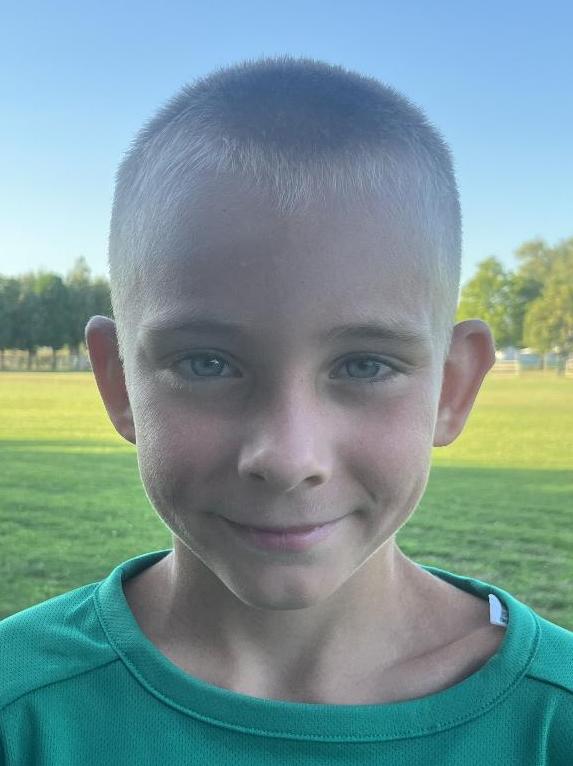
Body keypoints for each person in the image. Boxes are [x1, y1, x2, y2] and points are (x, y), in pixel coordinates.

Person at [1, 56, 572, 764]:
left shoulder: (552, 723)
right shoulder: (20, 710)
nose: (287, 457)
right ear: (119, 383)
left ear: (452, 390)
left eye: (365, 365)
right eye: (206, 363)